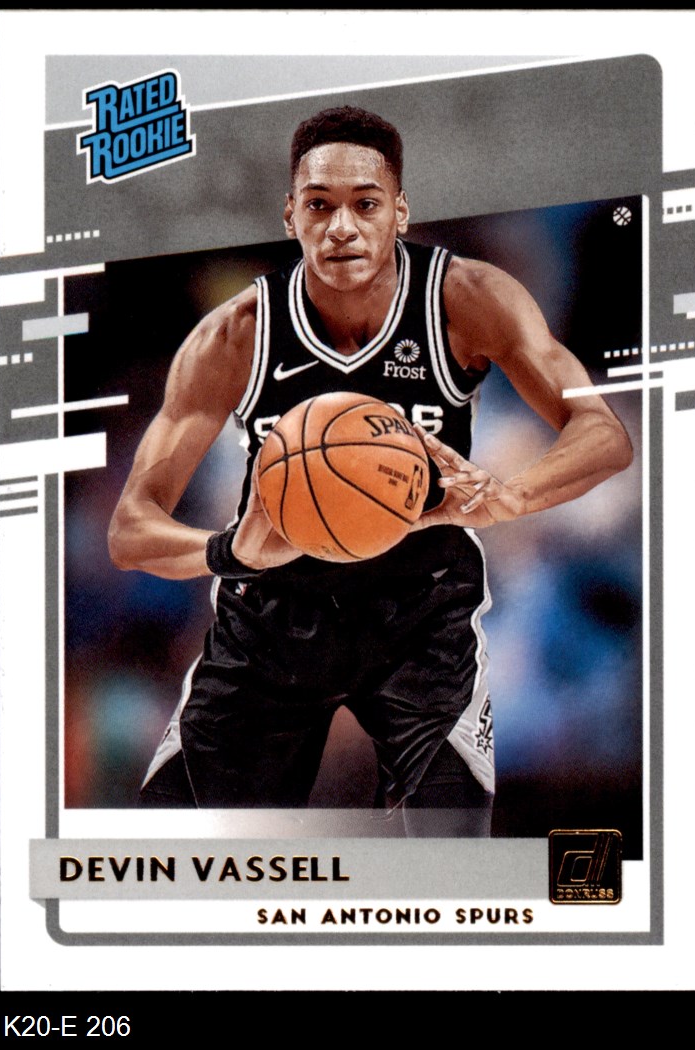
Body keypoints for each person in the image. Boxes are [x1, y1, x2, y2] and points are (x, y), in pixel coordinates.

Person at [108, 106, 632, 836]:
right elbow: (129, 532)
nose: (342, 227)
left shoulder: (467, 300)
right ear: (291, 214)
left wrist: (505, 499)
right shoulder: (235, 335)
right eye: (320, 205)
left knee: (458, 860)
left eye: (365, 203)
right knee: (175, 861)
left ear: (400, 212)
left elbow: (605, 436)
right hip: (275, 626)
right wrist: (229, 550)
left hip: (419, 622)